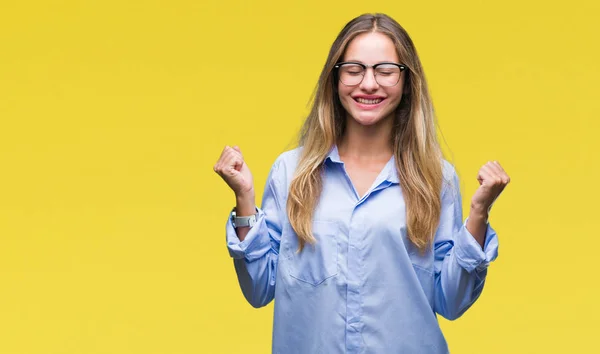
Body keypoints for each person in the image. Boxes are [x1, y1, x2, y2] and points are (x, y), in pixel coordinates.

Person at [213, 13, 510, 354]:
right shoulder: (291, 173)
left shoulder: (436, 178)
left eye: (384, 70)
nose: (368, 84)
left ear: (406, 82)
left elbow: (452, 300)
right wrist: (244, 198)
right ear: (335, 79)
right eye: (354, 69)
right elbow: (259, 289)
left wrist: (479, 213)